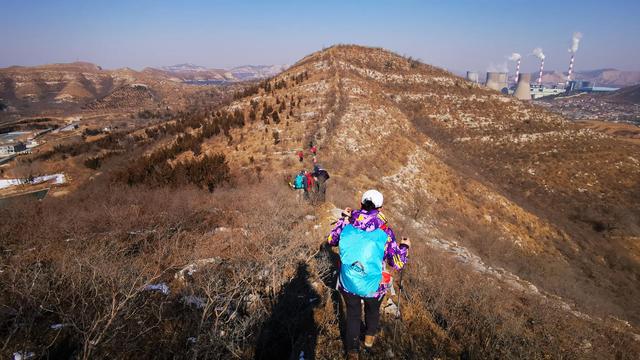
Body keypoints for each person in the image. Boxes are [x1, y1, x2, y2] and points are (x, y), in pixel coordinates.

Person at [327, 190, 410, 359]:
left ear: (361, 203)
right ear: (380, 208)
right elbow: (398, 264)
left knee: (353, 315)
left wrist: (343, 218)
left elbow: (331, 241)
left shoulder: (348, 222)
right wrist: (405, 247)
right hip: (374, 286)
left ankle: (352, 352)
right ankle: (369, 339)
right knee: (372, 310)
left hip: (348, 281)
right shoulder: (385, 231)